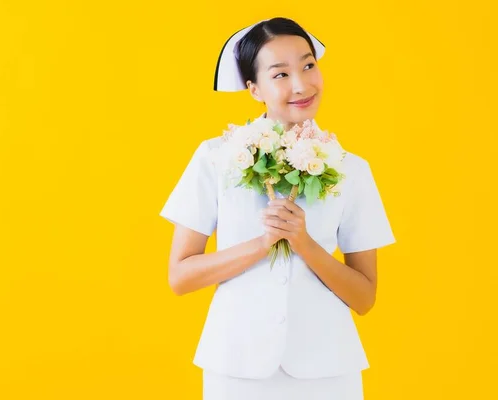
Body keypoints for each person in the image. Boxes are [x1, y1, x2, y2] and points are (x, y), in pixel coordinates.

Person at [159, 17, 396, 400]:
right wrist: (263, 243)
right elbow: (180, 277)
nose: (302, 85)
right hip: (236, 367)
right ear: (253, 88)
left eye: (308, 66)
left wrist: (304, 243)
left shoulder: (352, 169)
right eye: (280, 74)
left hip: (328, 370)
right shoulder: (216, 158)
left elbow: (364, 298)